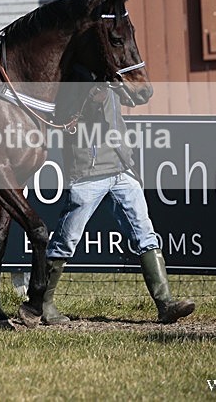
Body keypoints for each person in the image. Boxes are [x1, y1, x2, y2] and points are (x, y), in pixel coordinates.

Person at [42, 79, 195, 325]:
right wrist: (94, 93)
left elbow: (140, 95)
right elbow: (68, 115)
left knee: (145, 235)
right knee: (66, 241)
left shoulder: (111, 76)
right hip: (87, 173)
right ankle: (42, 304)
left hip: (122, 170)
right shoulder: (71, 80)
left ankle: (165, 303)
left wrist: (130, 82)